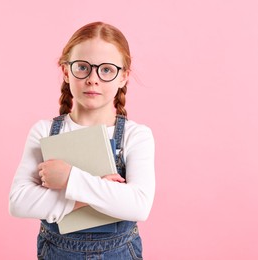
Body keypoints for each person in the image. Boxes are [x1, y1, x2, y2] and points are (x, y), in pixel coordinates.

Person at [9, 21, 155, 259]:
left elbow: (138, 205)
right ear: (66, 71)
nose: (93, 79)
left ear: (123, 77)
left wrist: (69, 179)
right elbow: (19, 202)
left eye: (107, 70)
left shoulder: (136, 136)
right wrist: (88, 197)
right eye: (83, 67)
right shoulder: (44, 131)